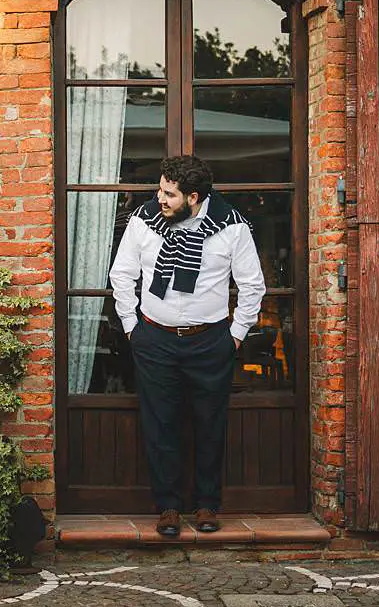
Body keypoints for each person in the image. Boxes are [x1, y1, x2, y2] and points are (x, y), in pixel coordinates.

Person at [108, 155, 265, 537]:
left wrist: (235, 335)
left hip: (210, 341)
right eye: (161, 190)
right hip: (154, 338)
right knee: (160, 424)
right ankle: (168, 507)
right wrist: (131, 327)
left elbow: (252, 285)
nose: (159, 199)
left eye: (169, 194)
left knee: (210, 424)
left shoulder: (231, 227)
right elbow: (122, 274)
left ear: (193, 197)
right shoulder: (143, 220)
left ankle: (207, 504)